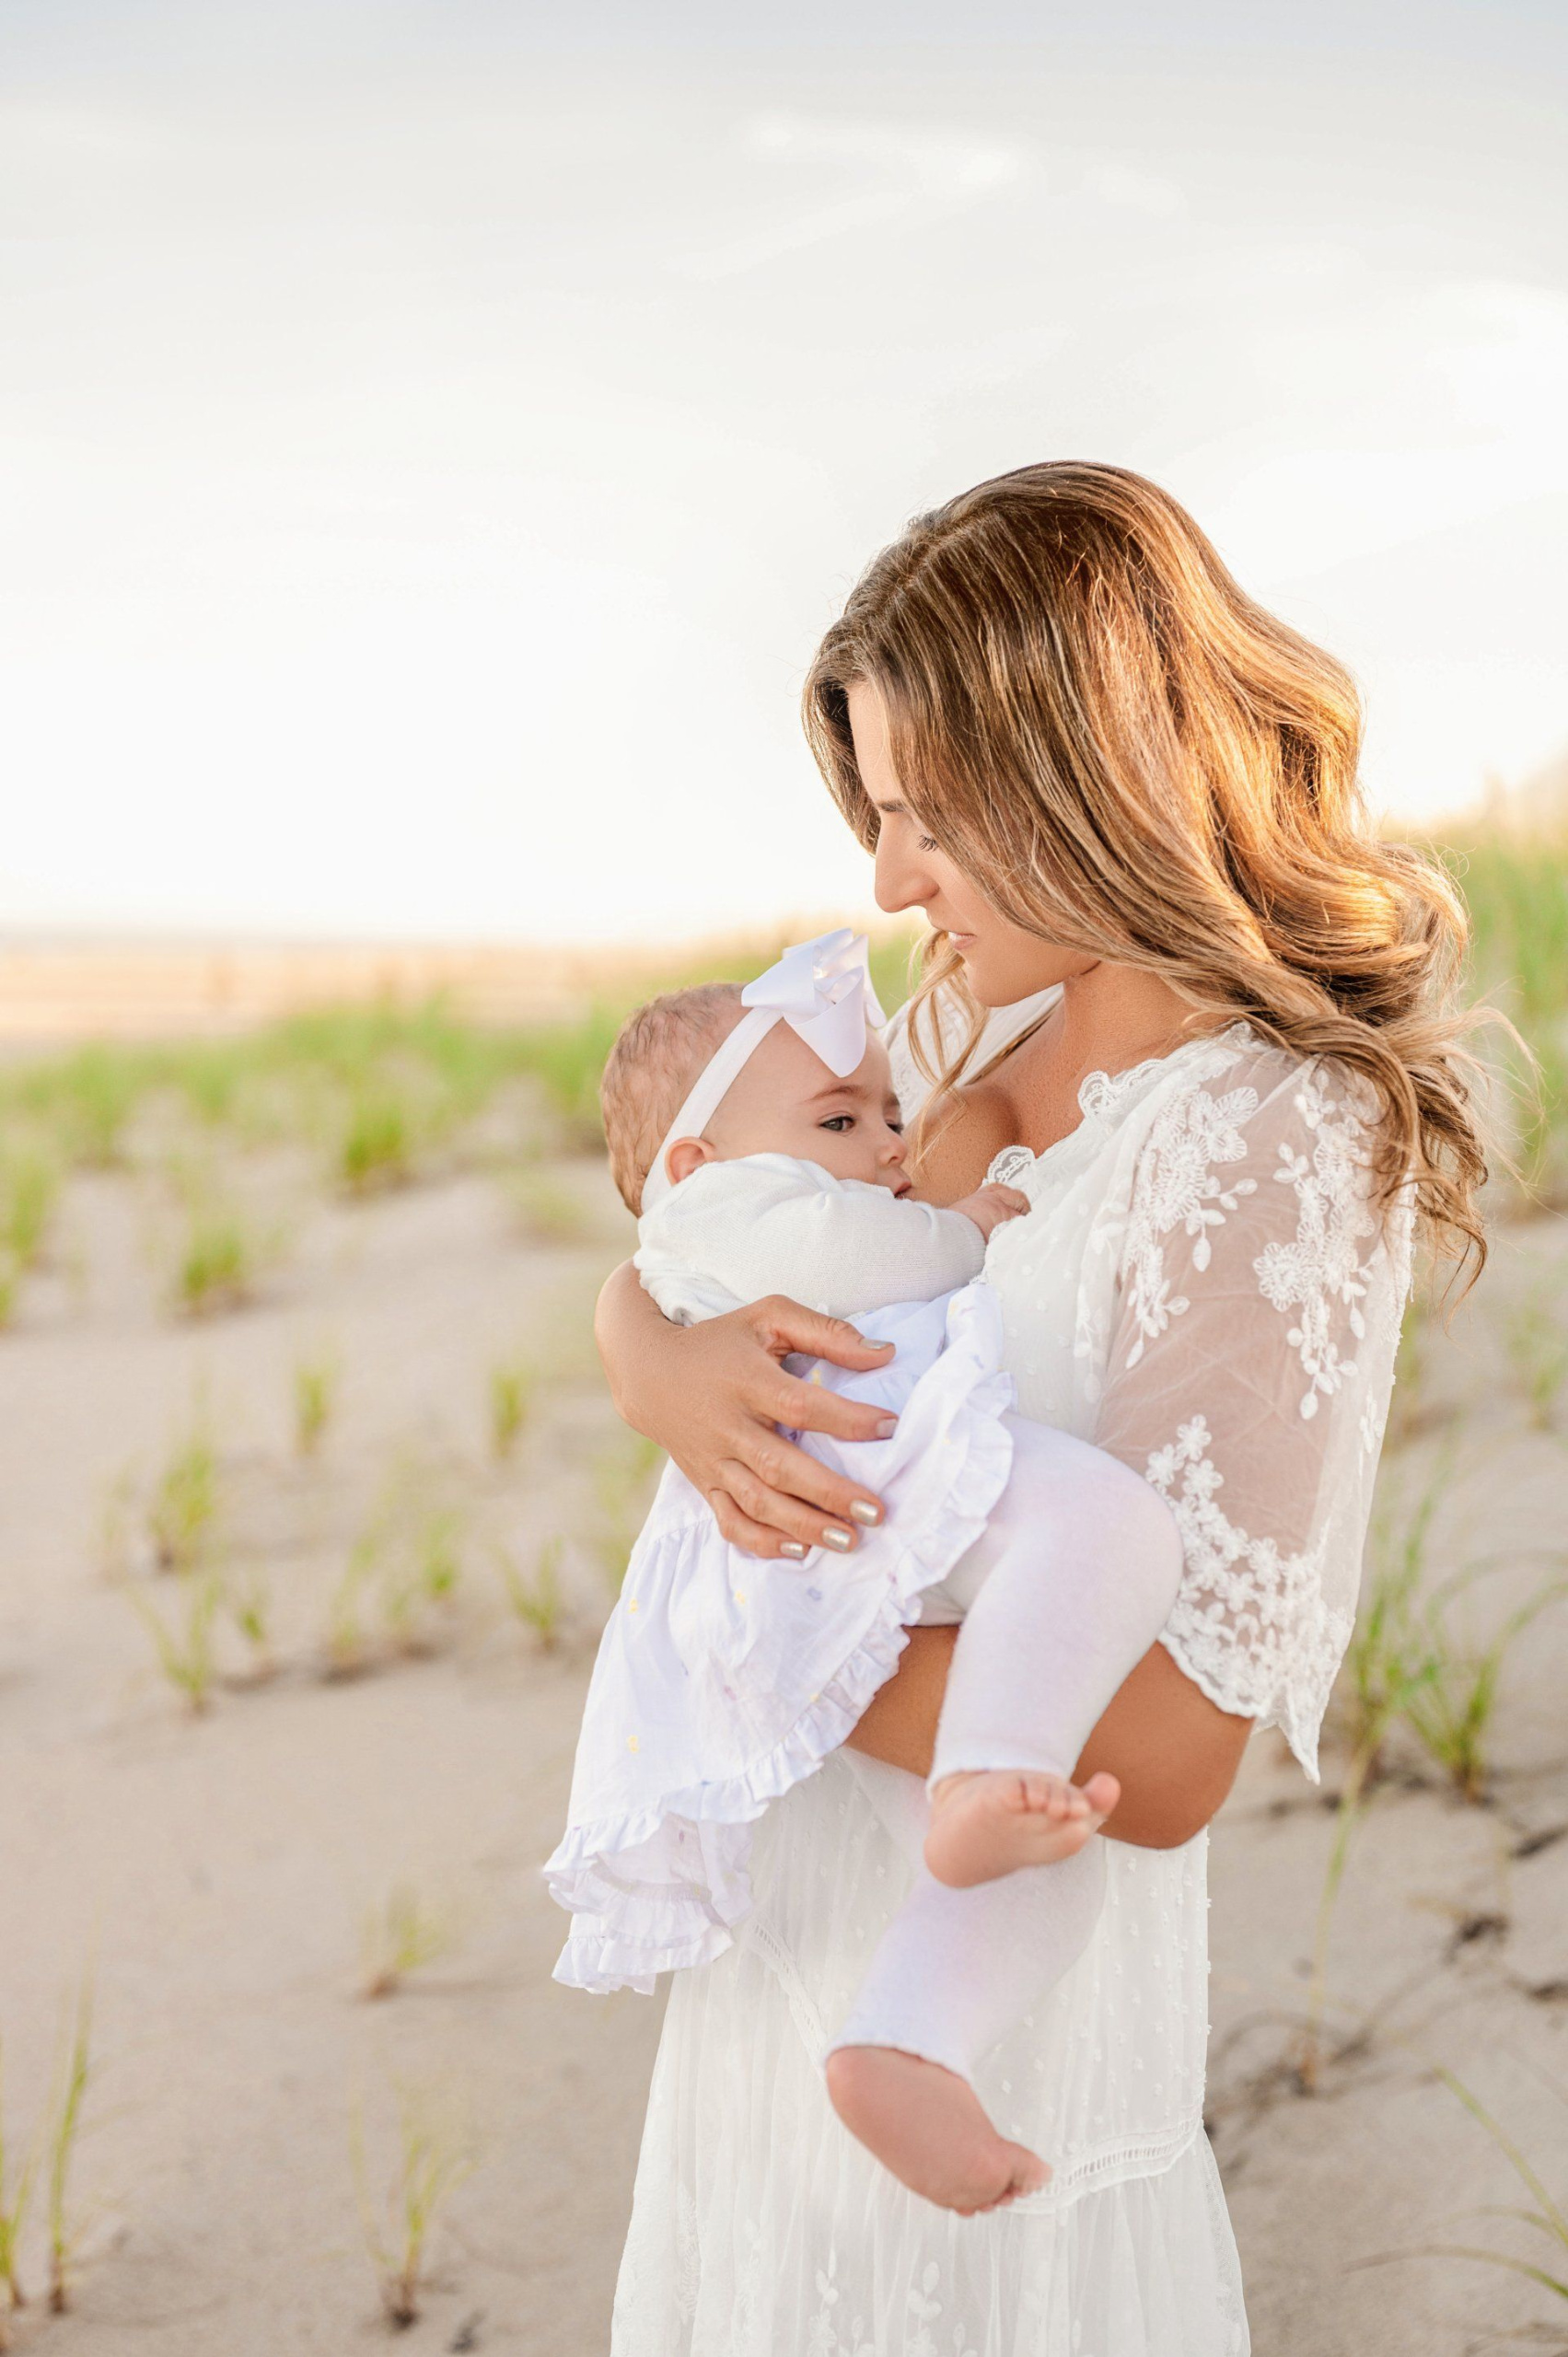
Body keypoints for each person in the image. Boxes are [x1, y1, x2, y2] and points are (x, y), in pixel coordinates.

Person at [593, 461, 1486, 2353]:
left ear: (1086, 768)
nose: (889, 880)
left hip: (1007, 2043)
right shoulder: (951, 1038)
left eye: (927, 815)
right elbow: (719, 1218)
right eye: (878, 812)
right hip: (786, 1982)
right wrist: (648, 1360)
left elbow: (1162, 1759)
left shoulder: (1273, 1138)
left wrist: (772, 1656)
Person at [547, 931, 1185, 2212]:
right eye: (842, 1118)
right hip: (876, 1464)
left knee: (1046, 1877)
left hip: (861, 1521)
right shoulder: (741, 1219)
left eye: (889, 1115)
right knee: (1107, 1529)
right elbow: (854, 1255)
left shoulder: (738, 1222)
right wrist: (963, 1229)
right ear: (693, 1169)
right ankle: (983, 1770)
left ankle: (904, 2042)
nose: (889, 1147)